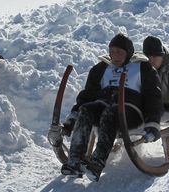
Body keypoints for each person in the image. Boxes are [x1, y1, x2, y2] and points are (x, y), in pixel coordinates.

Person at [59, 34, 163, 182]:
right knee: (87, 109)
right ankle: (75, 160)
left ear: (128, 53)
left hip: (131, 110)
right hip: (105, 102)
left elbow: (154, 97)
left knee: (110, 113)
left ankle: (97, 162)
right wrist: (74, 116)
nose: (115, 56)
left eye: (120, 52)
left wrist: (153, 123)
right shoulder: (102, 68)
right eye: (112, 52)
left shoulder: (142, 67)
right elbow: (88, 94)